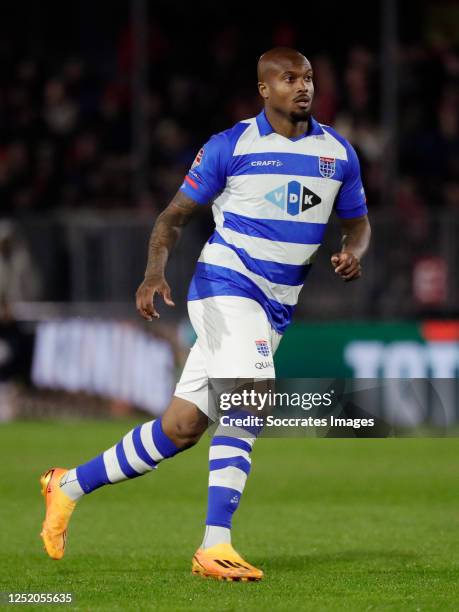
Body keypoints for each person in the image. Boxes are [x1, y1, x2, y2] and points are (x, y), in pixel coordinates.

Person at [39, 47, 371, 582]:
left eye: (308, 76)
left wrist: (354, 251)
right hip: (225, 283)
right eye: (289, 78)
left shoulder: (339, 152)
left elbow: (357, 222)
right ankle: (215, 545)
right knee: (251, 392)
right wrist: (153, 272)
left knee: (183, 427)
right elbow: (173, 218)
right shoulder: (229, 146)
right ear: (265, 89)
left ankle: (66, 485)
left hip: (276, 307)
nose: (303, 86)